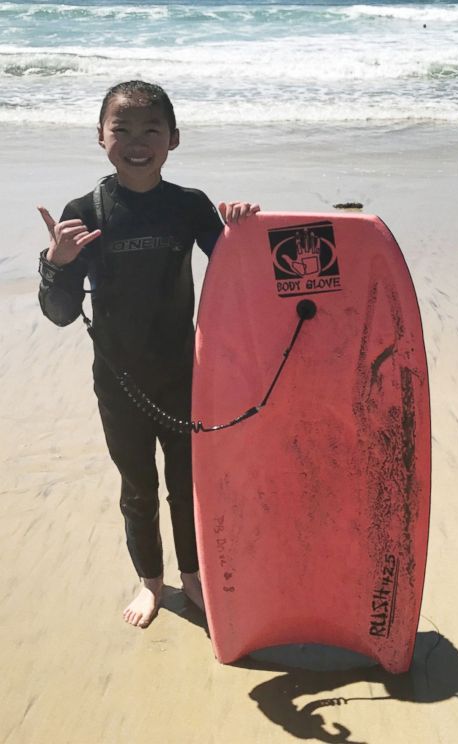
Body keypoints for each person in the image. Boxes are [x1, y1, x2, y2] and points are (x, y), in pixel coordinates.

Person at [36, 80, 259, 628]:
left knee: (188, 486)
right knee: (138, 486)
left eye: (151, 129)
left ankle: (192, 575)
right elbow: (62, 313)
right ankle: (150, 581)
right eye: (122, 129)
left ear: (173, 139)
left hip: (186, 376)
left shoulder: (189, 206)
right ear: (100, 137)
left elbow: (238, 273)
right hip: (119, 383)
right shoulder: (85, 211)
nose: (137, 141)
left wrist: (243, 230)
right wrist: (57, 261)